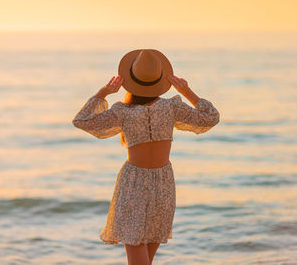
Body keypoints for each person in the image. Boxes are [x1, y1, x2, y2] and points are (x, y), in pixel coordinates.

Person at [72, 49, 220, 265]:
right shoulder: (172, 108)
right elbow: (211, 117)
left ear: (131, 81)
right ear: (161, 80)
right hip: (163, 184)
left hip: (134, 183)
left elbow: (82, 121)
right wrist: (187, 91)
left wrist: (103, 92)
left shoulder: (123, 112)